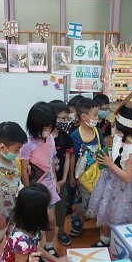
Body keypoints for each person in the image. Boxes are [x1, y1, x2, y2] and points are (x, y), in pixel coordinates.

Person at [87, 106, 132, 247]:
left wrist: (110, 163)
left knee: (119, 213)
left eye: (115, 123)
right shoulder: (119, 138)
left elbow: (128, 177)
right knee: (106, 209)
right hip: (110, 182)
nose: (113, 125)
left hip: (123, 188)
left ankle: (119, 243)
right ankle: (105, 238)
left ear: (122, 127)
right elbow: (115, 155)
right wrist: (105, 158)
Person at [19, 102, 60, 258]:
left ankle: (49, 245)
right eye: (44, 127)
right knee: (35, 219)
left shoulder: (50, 139)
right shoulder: (27, 144)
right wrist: (27, 190)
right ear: (34, 125)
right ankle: (33, 246)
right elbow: (24, 171)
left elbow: (51, 162)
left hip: (49, 184)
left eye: (49, 127)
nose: (47, 130)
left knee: (51, 218)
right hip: (35, 188)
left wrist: (55, 181)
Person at [0, 122, 27, 262]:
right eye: (17, 149)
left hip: (14, 212)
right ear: (2, 147)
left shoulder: (15, 162)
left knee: (13, 239)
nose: (18, 153)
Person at [68, 97, 104, 238]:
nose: (97, 118)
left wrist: (105, 171)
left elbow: (103, 151)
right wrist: (72, 176)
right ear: (84, 117)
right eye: (94, 115)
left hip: (98, 175)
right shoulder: (75, 136)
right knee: (88, 201)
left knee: (96, 199)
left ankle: (79, 218)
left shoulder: (97, 132)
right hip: (82, 176)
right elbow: (72, 157)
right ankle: (77, 218)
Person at [49, 100, 74, 246]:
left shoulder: (65, 137)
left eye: (67, 118)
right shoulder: (44, 138)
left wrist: (64, 179)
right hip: (46, 181)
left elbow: (68, 158)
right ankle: (42, 233)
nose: (66, 122)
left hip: (61, 180)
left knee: (61, 206)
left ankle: (61, 231)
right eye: (63, 118)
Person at [64, 94, 85, 216]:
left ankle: (81, 211)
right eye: (70, 112)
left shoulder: (84, 128)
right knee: (70, 187)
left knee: (82, 190)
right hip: (71, 162)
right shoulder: (71, 125)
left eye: (72, 112)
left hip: (82, 164)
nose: (71, 115)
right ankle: (68, 206)